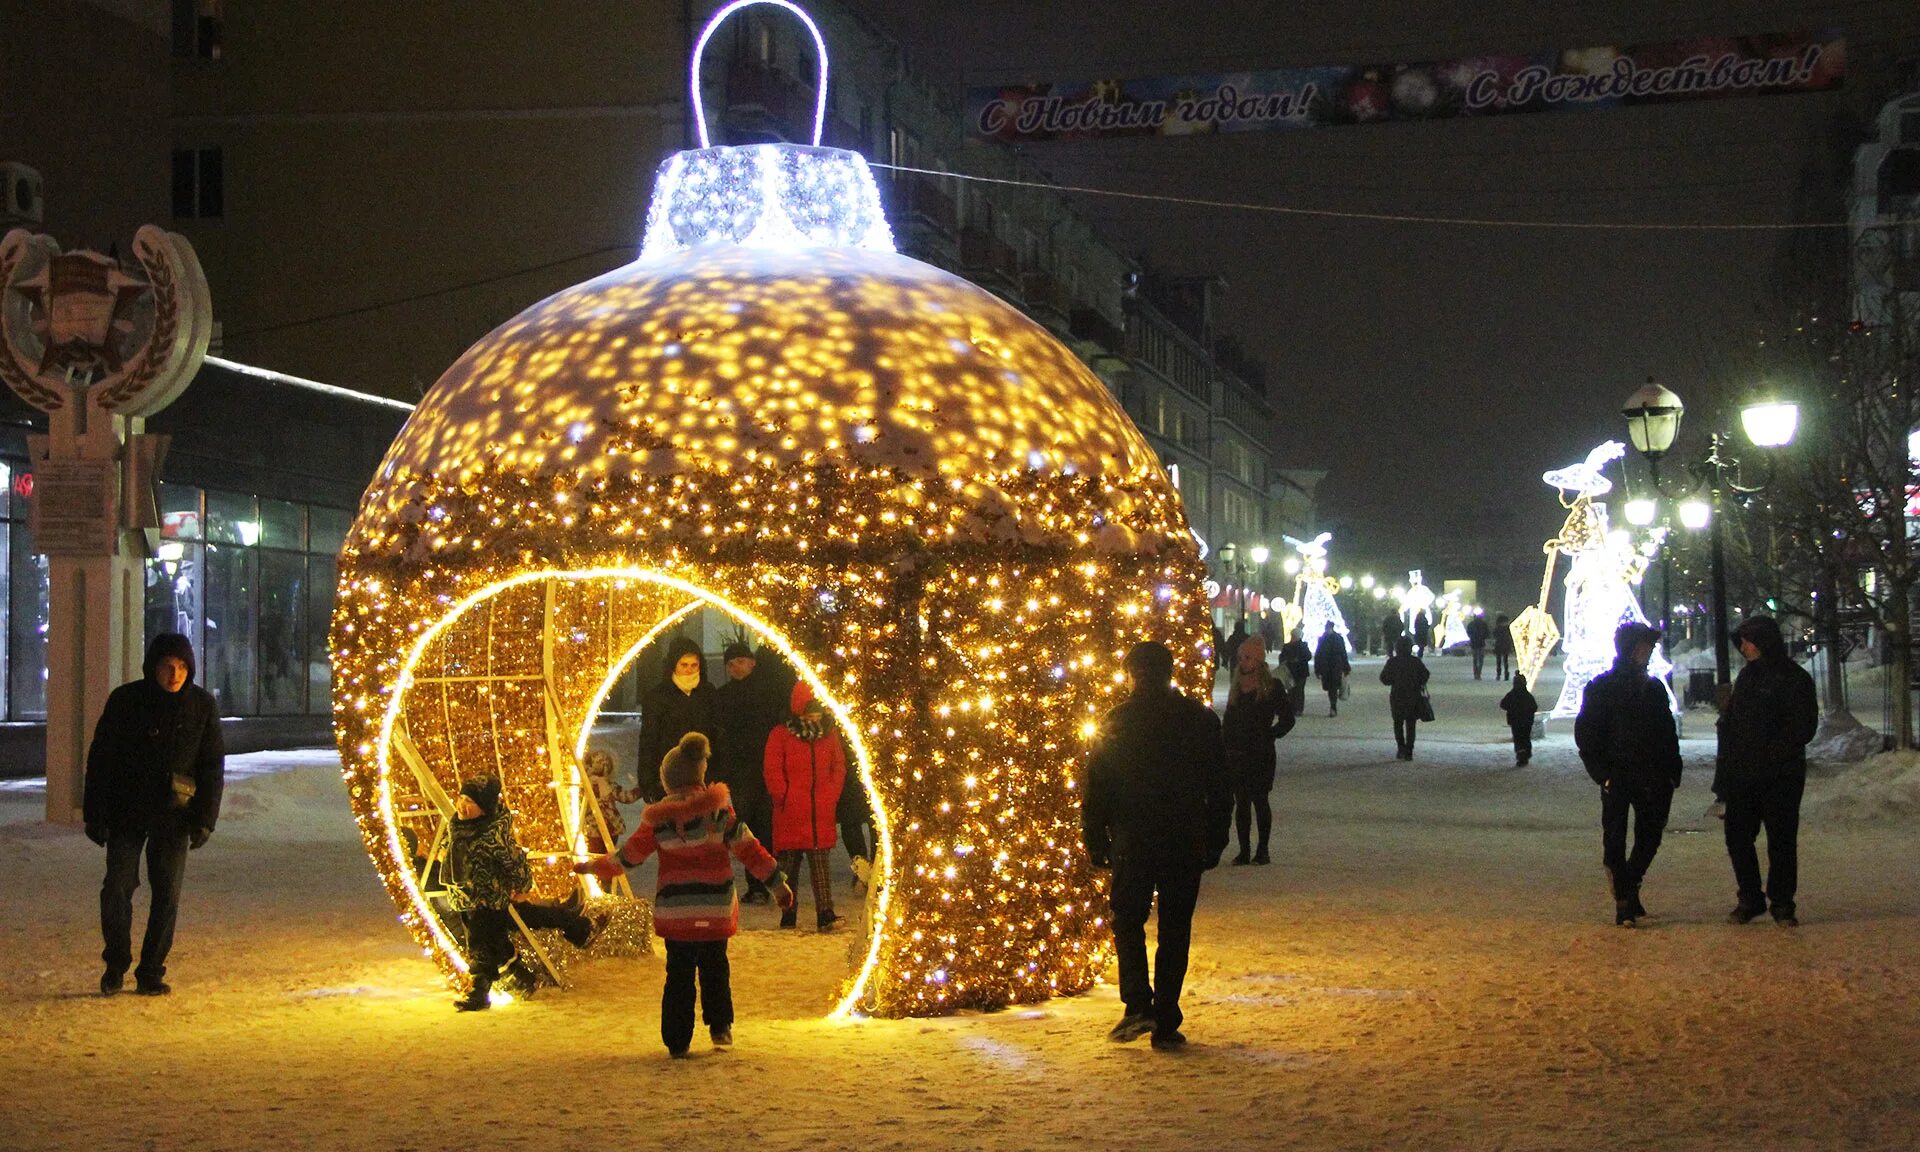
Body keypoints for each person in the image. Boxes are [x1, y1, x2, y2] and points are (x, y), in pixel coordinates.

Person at [580, 733, 793, 1056]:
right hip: (715, 907)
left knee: (678, 973)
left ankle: (677, 1038)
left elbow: (629, 857)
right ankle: (720, 1025)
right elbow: (750, 850)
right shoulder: (720, 813)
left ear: (668, 782)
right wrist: (777, 884)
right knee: (715, 966)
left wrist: (594, 866)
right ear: (700, 774)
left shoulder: (657, 820)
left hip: (676, 910)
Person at [1081, 641, 1231, 1051]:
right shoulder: (1198, 720)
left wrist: (1095, 837)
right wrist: (1216, 837)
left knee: (1128, 920)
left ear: (1131, 675)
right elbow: (1219, 787)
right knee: (1174, 929)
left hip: (1134, 838)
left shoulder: (1117, 722)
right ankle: (1165, 1016)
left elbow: (1097, 787)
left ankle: (1137, 1003)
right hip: (1184, 838)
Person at [83, 632, 225, 997]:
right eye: (167, 666)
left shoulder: (201, 706)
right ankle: (116, 963)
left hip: (175, 814)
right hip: (127, 811)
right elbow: (102, 759)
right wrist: (95, 812)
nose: (174, 674)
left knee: (167, 895)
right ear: (153, 667)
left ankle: (151, 970)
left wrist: (205, 817)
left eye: (181, 667)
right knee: (117, 888)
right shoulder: (126, 701)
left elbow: (211, 765)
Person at [446, 774, 594, 1010]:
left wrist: (523, 887)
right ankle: (574, 924)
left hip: (490, 899)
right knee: (522, 919)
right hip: (467, 900)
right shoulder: (457, 827)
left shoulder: (493, 836)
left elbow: (516, 862)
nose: (462, 805)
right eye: (461, 798)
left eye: (470, 802)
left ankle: (481, 991)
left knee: (483, 942)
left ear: (484, 808)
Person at [1574, 622, 1682, 928]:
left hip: (1653, 775)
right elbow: (1587, 734)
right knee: (1615, 840)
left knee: (1650, 835)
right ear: (1630, 650)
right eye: (1643, 648)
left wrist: (1672, 769)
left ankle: (1630, 884)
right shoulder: (1602, 688)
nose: (1647, 653)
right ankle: (1624, 901)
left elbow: (1666, 731)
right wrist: (1603, 774)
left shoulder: (1653, 688)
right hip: (1618, 775)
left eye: (1649, 648)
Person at [1717, 615, 1819, 927]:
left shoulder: (1794, 679)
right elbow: (1734, 725)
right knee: (1738, 837)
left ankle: (1782, 901)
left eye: (1748, 641)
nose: (1744, 648)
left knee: (1781, 840)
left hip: (1779, 776)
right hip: (1745, 775)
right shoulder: (1748, 678)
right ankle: (1751, 896)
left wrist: (1770, 752)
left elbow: (1803, 726)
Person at [763, 681, 848, 932]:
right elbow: (773, 769)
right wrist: (783, 796)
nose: (815, 715)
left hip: (819, 811)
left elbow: (838, 766)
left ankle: (825, 912)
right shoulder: (781, 735)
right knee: (789, 867)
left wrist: (831, 794)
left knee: (820, 866)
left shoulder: (829, 734)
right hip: (791, 811)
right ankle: (788, 913)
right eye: (810, 710)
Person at [709, 641, 784, 903]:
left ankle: (772, 879)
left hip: (765, 768)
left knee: (766, 826)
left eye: (740, 661)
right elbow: (720, 737)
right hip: (739, 772)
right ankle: (756, 884)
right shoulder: (723, 696)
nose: (735, 667)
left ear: (752, 662)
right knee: (746, 828)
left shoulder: (767, 693)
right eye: (730, 664)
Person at [1222, 635, 1295, 865]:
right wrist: (1226, 744)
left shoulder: (1272, 687)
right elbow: (1228, 720)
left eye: (1247, 658)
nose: (1242, 662)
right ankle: (1244, 850)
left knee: (1260, 801)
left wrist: (1271, 734)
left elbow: (1288, 718)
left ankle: (1263, 849)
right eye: (1241, 658)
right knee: (1241, 803)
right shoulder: (1236, 686)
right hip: (1238, 753)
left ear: (1258, 660)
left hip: (1260, 753)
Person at [635, 636, 716, 802]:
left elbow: (716, 734)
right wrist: (647, 781)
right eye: (684, 665)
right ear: (674, 665)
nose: (689, 670)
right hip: (667, 777)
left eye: (694, 665)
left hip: (703, 777)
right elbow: (649, 740)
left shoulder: (708, 694)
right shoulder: (657, 697)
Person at [580, 748, 642, 855]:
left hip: (607, 829)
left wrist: (640, 789)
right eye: (600, 762)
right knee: (599, 855)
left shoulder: (609, 785)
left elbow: (626, 797)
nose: (604, 765)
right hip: (596, 830)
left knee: (606, 855)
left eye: (606, 762)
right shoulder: (585, 787)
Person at [1379, 637, 1431, 760]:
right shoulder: (1415, 661)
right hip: (1413, 695)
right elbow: (1425, 675)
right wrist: (1418, 683)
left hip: (1397, 695)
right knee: (1411, 723)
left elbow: (1384, 678)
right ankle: (1409, 750)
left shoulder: (1393, 662)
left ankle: (1401, 748)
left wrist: (1394, 681)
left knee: (1398, 722)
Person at [1500, 673, 1538, 767]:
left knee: (1518, 739)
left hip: (1515, 721)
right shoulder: (1527, 696)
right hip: (1526, 722)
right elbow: (1534, 707)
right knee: (1525, 738)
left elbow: (1503, 704)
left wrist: (1511, 709)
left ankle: (1521, 755)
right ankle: (1526, 753)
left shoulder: (1511, 695)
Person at [1312, 620, 1350, 717]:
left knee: (1331, 688)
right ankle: (1333, 706)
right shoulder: (1337, 638)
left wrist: (1317, 669)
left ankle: (1333, 706)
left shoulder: (1323, 639)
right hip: (1334, 666)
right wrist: (1346, 667)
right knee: (1331, 687)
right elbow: (1343, 653)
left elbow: (1318, 655)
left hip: (1330, 667)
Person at [1279, 627, 1312, 721]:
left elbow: (1308, 656)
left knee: (1298, 690)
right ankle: (1294, 708)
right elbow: (1282, 658)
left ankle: (1298, 709)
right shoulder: (1287, 646)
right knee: (1292, 690)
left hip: (1300, 672)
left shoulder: (1303, 646)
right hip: (1292, 672)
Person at [1466, 612, 1491, 680]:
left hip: (1474, 643)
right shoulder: (1483, 624)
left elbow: (1468, 632)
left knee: (1475, 659)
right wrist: (1483, 637)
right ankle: (1479, 673)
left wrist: (1472, 637)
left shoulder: (1471, 624)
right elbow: (1487, 633)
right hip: (1481, 643)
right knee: (1480, 659)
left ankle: (1476, 673)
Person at [1493, 613, 1515, 681]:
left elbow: (1494, 635)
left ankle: (1498, 674)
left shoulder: (1497, 628)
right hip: (1506, 645)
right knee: (1505, 661)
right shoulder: (1508, 628)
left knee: (1498, 661)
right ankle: (1506, 674)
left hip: (1499, 645)